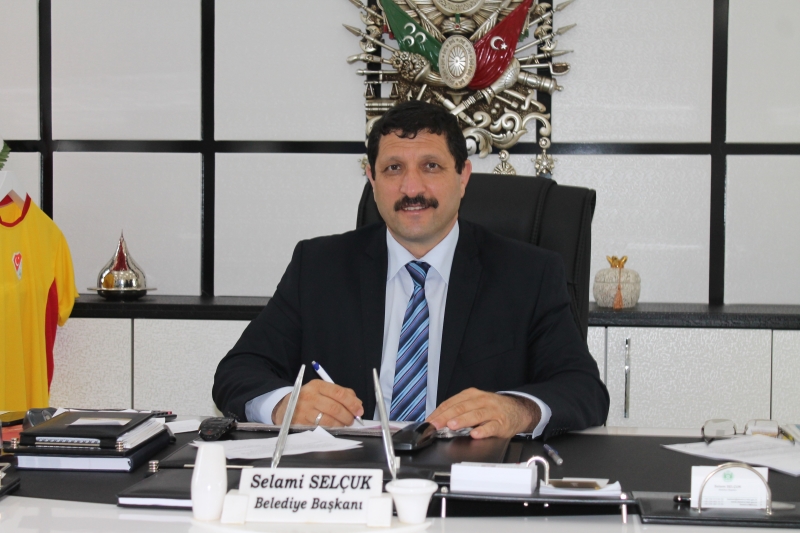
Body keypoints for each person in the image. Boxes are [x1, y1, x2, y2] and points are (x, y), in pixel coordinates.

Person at [213, 100, 609, 440]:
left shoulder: (529, 274)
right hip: (354, 482)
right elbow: (239, 370)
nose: (412, 188)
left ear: (463, 176)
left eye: (431, 166)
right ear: (371, 179)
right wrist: (284, 405)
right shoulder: (318, 267)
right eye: (393, 168)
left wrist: (518, 411)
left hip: (469, 482)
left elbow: (583, 389)